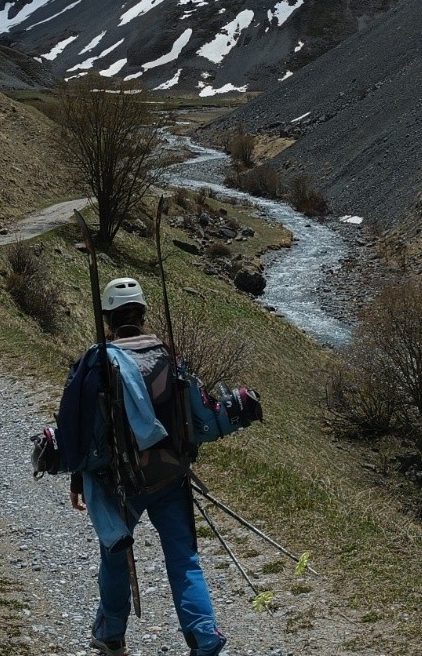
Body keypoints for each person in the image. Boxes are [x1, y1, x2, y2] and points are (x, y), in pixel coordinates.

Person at [47, 276, 262, 656]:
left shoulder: (97, 364)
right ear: (143, 313)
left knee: (114, 557)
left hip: (119, 485)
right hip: (171, 477)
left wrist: (78, 480)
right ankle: (204, 638)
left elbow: (84, 436)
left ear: (108, 317)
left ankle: (111, 636)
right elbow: (202, 422)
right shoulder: (170, 357)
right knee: (184, 559)